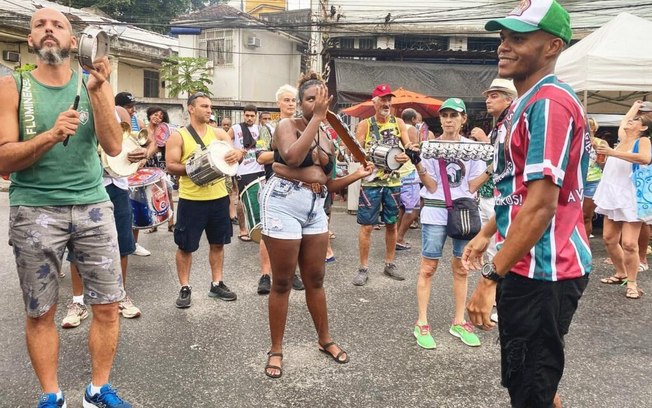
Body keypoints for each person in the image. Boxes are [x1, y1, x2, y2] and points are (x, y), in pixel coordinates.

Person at [0, 7, 132, 407]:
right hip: (35, 209)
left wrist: (98, 93)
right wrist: (49, 135)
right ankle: (51, 395)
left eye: (58, 25)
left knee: (107, 306)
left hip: (93, 205)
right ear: (31, 41)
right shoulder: (12, 87)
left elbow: (112, 146)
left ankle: (97, 390)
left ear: (75, 42)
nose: (49, 29)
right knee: (41, 311)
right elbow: (4, 160)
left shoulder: (95, 83)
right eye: (40, 25)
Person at [462, 2, 591, 407]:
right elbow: (516, 190)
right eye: (503, 37)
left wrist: (489, 278)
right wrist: (487, 234)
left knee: (530, 386)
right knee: (536, 380)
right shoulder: (527, 102)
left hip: (543, 272)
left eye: (518, 38)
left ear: (553, 46)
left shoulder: (548, 104)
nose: (504, 46)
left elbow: (540, 206)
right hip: (531, 263)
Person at [261, 72, 374, 378]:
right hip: (282, 203)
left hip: (314, 207)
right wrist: (318, 119)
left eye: (322, 99)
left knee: (316, 278)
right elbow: (294, 156)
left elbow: (329, 182)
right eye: (311, 99)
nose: (318, 104)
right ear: (300, 103)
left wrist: (359, 175)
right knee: (282, 282)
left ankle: (324, 339)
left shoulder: (327, 136)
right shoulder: (287, 125)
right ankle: (276, 349)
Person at [413, 98, 487, 349]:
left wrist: (491, 167)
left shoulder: (474, 149)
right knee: (428, 268)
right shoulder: (429, 147)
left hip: (463, 212)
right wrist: (418, 163)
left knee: (461, 268)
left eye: (454, 115)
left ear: (463, 119)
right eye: (444, 115)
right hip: (435, 212)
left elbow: (473, 185)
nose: (448, 120)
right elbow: (431, 186)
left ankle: (459, 321)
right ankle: (422, 322)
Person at [62, 106, 144, 329]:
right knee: (78, 248)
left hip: (117, 185)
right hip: (86, 186)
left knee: (124, 244)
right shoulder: (76, 106)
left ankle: (120, 296)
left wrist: (138, 155)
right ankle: (78, 302)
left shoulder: (118, 113)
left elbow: (129, 147)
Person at [166, 92, 243, 308]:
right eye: (204, 106)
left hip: (218, 198)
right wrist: (195, 168)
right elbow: (170, 165)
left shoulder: (218, 133)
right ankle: (185, 287)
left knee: (218, 243)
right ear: (191, 108)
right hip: (191, 200)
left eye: (210, 106)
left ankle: (216, 283)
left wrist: (237, 154)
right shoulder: (178, 136)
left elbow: (235, 155)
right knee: (185, 246)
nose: (209, 110)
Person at [352, 84, 413, 286]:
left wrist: (408, 153)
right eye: (383, 99)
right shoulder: (365, 125)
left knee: (391, 223)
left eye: (389, 99)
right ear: (374, 102)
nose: (387, 103)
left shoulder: (398, 123)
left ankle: (389, 263)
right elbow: (354, 151)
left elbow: (408, 146)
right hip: (371, 183)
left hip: (393, 181)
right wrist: (365, 159)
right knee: (367, 226)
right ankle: (363, 268)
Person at [593, 101, 652, 299]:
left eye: (635, 121)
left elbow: (644, 158)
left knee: (629, 243)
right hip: (612, 194)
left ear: (643, 127)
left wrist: (612, 152)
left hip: (630, 196)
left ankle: (633, 283)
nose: (629, 122)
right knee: (609, 239)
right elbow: (625, 120)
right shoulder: (622, 138)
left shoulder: (643, 141)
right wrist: (635, 106)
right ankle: (621, 273)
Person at [470, 78, 517, 324]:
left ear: (509, 99)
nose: (489, 99)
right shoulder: (499, 125)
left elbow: (504, 161)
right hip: (495, 196)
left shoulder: (513, 123)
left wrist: (482, 141)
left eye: (495, 95)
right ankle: (500, 298)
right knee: (491, 246)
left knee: (502, 247)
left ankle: (501, 299)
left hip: (506, 197)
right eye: (488, 95)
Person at [256, 84, 304, 292]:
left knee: (295, 234)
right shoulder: (268, 128)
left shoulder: (303, 125)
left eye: (293, 100)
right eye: (286, 100)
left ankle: (291, 273)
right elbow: (260, 157)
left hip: (299, 186)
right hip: (274, 185)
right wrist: (286, 153)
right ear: (278, 103)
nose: (291, 104)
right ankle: (265, 275)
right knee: (268, 233)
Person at [115, 91, 151, 257]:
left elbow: (151, 142)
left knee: (133, 210)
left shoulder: (137, 121)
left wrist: (145, 154)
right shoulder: (112, 119)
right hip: (115, 173)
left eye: (133, 107)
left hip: (131, 172)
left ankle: (133, 244)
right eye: (129, 107)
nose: (133, 110)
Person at [395, 108, 421, 251]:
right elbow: (415, 151)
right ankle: (398, 238)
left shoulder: (398, 127)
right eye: (417, 118)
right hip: (409, 172)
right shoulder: (412, 130)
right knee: (413, 210)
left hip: (400, 172)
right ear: (412, 119)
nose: (418, 121)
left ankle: (396, 237)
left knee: (402, 208)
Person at [582, 118, 603, 239]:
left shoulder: (601, 143)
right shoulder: (575, 140)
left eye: (590, 126)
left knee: (585, 216)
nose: (587, 128)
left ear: (594, 128)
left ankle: (584, 245)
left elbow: (603, 164)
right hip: (575, 181)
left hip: (593, 182)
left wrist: (596, 149)